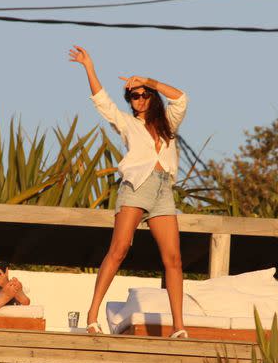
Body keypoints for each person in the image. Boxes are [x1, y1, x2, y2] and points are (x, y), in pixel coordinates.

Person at [69, 45, 189, 338]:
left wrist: (146, 79)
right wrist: (89, 67)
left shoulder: (168, 124)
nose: (138, 99)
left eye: (143, 94)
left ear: (151, 96)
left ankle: (179, 327)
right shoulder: (127, 124)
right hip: (136, 188)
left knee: (173, 259)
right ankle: (92, 314)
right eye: (133, 96)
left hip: (163, 191)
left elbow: (181, 98)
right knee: (119, 249)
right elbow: (103, 103)